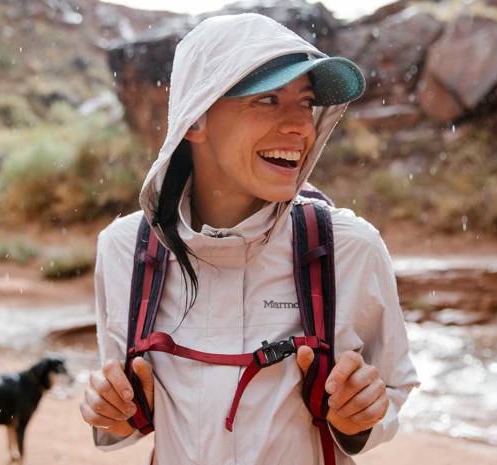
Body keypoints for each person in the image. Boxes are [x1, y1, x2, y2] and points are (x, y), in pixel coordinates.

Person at [80, 12, 419, 465]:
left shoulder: (349, 247)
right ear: (196, 119)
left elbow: (390, 390)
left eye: (307, 101)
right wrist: (111, 411)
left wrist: (361, 415)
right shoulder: (126, 250)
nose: (301, 125)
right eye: (269, 100)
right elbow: (126, 410)